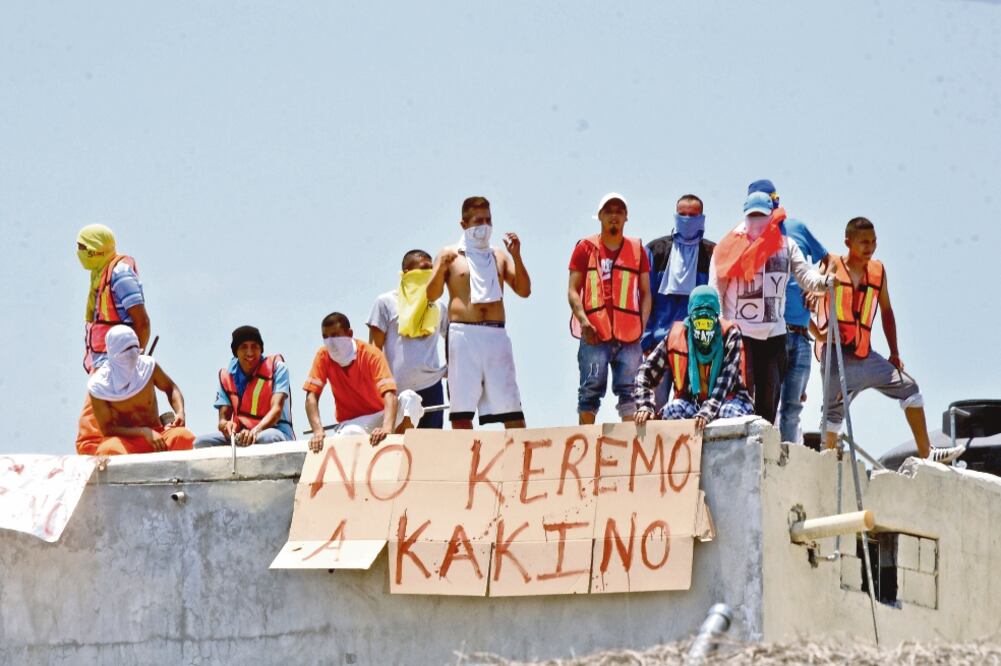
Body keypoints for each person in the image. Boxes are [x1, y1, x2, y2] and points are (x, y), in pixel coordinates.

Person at [815, 217, 944, 460]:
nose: (870, 248)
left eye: (874, 242)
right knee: (832, 415)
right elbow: (807, 295)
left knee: (909, 387)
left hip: (865, 355)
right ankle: (827, 464)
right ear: (848, 242)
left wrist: (894, 353)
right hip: (836, 355)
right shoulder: (831, 264)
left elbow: (886, 311)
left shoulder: (878, 271)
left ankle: (927, 453)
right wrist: (815, 330)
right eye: (864, 242)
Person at [709, 191, 832, 423]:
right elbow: (716, 287)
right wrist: (719, 327)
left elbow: (805, 276)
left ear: (771, 216)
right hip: (740, 335)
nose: (756, 221)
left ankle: (763, 451)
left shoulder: (786, 245)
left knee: (769, 399)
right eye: (751, 216)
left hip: (775, 336)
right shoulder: (729, 246)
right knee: (740, 397)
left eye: (761, 216)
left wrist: (823, 283)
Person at [426, 196, 531, 429]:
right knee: (462, 409)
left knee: (510, 404)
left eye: (488, 220)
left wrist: (516, 256)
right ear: (464, 224)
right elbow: (431, 296)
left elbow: (524, 290)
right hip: (463, 334)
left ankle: (520, 460)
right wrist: (441, 267)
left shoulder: (499, 255)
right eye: (477, 221)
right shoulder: (449, 254)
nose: (484, 226)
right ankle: (467, 462)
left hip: (495, 334)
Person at [747, 180, 833, 444]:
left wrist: (817, 289)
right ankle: (766, 457)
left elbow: (828, 261)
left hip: (800, 335)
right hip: (770, 334)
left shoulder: (796, 229)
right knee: (766, 403)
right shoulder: (749, 239)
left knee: (793, 408)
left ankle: (786, 460)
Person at [567, 193, 652, 424]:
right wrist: (584, 322)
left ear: (626, 217)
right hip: (595, 334)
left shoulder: (637, 250)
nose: (614, 215)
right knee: (589, 391)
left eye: (619, 211)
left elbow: (645, 293)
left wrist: (641, 326)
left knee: (631, 392)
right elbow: (573, 290)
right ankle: (586, 441)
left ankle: (631, 445)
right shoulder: (585, 248)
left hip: (629, 336)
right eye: (609, 211)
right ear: (600, 216)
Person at [634, 286, 753, 430]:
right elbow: (644, 374)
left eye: (707, 322)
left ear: (716, 317)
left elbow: (725, 381)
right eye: (699, 322)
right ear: (691, 317)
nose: (703, 328)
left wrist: (707, 412)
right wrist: (645, 405)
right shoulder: (676, 336)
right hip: (692, 403)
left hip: (728, 400)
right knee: (672, 410)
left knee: (729, 414)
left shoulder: (730, 334)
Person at [642, 193, 716, 412]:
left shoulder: (712, 253)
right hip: (659, 343)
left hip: (696, 347)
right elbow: (646, 297)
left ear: (702, 218)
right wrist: (645, 340)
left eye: (692, 215)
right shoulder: (655, 250)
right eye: (682, 215)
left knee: (694, 409)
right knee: (655, 408)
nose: (687, 220)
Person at [304, 312, 415, 452]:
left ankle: (398, 447)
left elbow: (390, 394)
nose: (330, 342)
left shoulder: (370, 354)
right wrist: (318, 431)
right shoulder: (323, 356)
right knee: (351, 433)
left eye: (335, 335)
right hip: (352, 422)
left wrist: (387, 428)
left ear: (349, 333)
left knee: (410, 398)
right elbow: (311, 397)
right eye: (325, 337)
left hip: (381, 415)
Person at [76, 326, 195, 455]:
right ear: (114, 354)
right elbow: (107, 429)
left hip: (159, 435)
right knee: (109, 450)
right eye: (126, 350)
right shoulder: (99, 386)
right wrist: (144, 432)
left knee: (183, 437)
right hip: (126, 442)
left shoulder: (148, 366)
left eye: (134, 348)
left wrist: (180, 412)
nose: (132, 355)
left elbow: (171, 388)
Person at [367, 250, 448, 429]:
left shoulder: (439, 306)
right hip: (396, 389)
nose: (428, 273)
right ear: (406, 273)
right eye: (423, 269)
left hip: (431, 386)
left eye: (431, 269)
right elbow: (374, 349)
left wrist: (451, 368)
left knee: (429, 443)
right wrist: (378, 388)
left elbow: (452, 338)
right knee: (398, 444)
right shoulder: (385, 302)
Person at [194, 326, 294, 448]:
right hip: (241, 434)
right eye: (243, 347)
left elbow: (276, 410)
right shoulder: (226, 376)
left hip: (276, 430)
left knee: (266, 438)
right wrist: (225, 425)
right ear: (236, 351)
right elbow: (223, 419)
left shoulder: (277, 368)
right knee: (201, 443)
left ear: (261, 349)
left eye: (254, 346)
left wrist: (254, 432)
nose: (250, 352)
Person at [76, 224, 150, 373]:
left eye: (83, 248)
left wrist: (133, 363)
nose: (79, 253)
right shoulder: (99, 276)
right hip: (103, 363)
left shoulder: (120, 274)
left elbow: (142, 323)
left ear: (95, 250)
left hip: (119, 366)